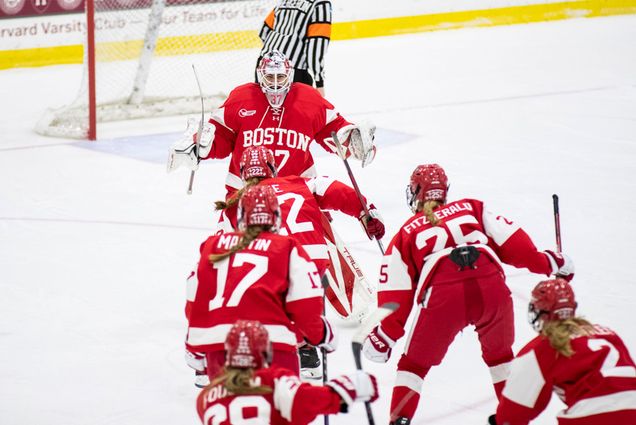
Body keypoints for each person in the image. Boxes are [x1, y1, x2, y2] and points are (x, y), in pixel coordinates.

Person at [361, 163, 575, 425]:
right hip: (491, 286)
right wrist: (549, 262)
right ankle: (513, 419)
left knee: (413, 367)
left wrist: (386, 334)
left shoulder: (406, 232)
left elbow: (396, 289)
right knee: (501, 358)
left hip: (443, 295)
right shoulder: (473, 207)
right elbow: (513, 243)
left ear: (415, 192)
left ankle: (399, 421)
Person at [214, 145, 384, 380]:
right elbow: (340, 192)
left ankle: (277, 348)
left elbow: (221, 252)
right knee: (301, 297)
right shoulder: (302, 182)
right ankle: (307, 348)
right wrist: (368, 214)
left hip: (274, 264)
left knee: (262, 292)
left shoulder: (234, 204)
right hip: (315, 262)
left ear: (242, 172)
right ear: (273, 168)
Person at [167, 50, 376, 196]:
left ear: (290, 75)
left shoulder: (308, 99)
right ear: (260, 76)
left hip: (300, 189)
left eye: (280, 77)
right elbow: (220, 138)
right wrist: (200, 147)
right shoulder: (241, 98)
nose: (275, 82)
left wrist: (353, 140)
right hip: (243, 191)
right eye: (270, 77)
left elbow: (334, 131)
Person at [185, 184, 337, 384]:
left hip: (220, 349)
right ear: (276, 216)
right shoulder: (287, 247)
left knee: (228, 411)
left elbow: (195, 295)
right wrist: (320, 334)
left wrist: (196, 347)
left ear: (240, 216)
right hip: (275, 347)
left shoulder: (213, 246)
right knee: (280, 411)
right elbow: (305, 301)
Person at [489, 278, 636, 425]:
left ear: (540, 312)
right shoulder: (607, 333)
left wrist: (501, 420)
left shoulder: (543, 348)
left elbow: (512, 414)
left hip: (591, 417)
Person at [197, 319, 379, 425]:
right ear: (265, 351)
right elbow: (307, 402)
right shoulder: (274, 380)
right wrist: (350, 387)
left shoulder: (206, 397)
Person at [257, 0, 333, 96]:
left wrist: (275, 52)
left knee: (265, 108)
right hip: (292, 70)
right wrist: (319, 83)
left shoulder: (285, 1)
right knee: (301, 109)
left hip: (265, 66)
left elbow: (263, 31)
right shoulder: (320, 4)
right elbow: (315, 50)